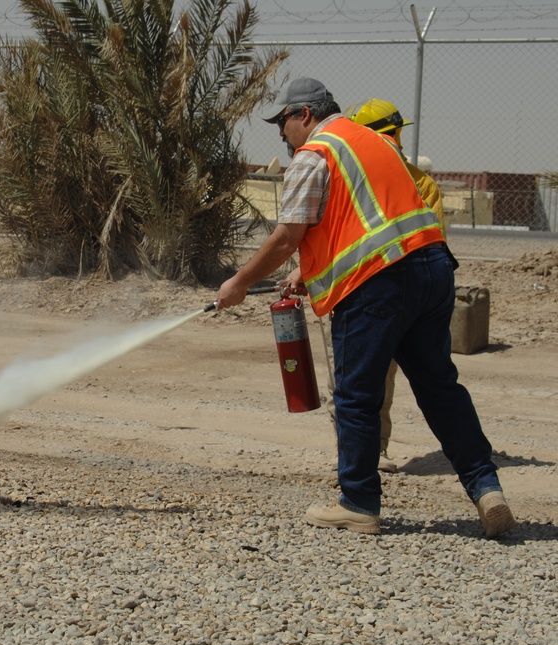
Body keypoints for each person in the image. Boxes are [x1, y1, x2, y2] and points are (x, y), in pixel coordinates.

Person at [215, 78, 516, 537]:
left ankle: (358, 503)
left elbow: (286, 238)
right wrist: (308, 272)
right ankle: (487, 488)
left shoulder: (316, 154)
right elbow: (366, 216)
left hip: (377, 284)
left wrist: (238, 282)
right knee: (440, 386)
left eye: (282, 122)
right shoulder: (374, 142)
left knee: (356, 394)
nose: (280, 134)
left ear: (305, 115)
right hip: (432, 269)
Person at [323, 98, 447, 474]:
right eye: (394, 134)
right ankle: (363, 452)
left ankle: (366, 455)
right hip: (403, 292)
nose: (397, 142)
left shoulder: (359, 179)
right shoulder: (420, 182)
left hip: (372, 293)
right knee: (404, 379)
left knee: (358, 379)